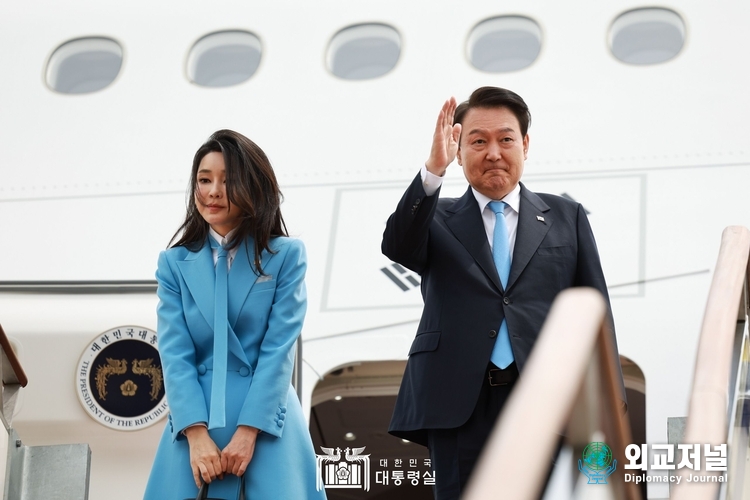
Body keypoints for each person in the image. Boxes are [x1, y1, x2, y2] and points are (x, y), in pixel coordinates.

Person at [382, 87, 626, 499]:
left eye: (506, 139)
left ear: (525, 145)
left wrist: (610, 402)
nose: (493, 152)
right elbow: (398, 245)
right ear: (459, 150)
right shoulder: (435, 217)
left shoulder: (566, 217)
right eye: (478, 141)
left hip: (549, 398)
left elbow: (595, 312)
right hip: (459, 404)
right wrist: (432, 171)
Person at [144, 130, 326, 499]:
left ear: (253, 187)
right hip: (195, 426)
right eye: (204, 179)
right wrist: (195, 435)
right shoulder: (174, 263)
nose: (213, 191)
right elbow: (175, 355)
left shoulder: (286, 255)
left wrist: (249, 431)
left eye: (228, 181)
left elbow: (278, 352)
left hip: (267, 425)